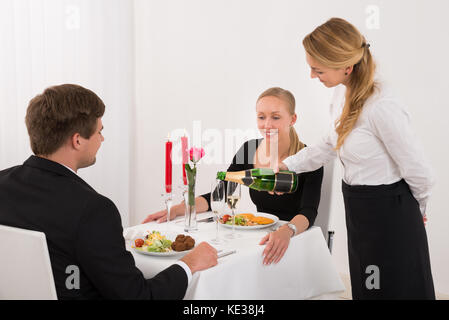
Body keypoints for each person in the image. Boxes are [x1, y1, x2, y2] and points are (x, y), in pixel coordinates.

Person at [0, 84, 218, 300]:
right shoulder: (93, 209)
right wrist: (188, 265)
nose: (102, 139)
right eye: (99, 131)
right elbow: (138, 297)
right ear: (77, 140)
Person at [276, 18, 435, 299]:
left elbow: (420, 172)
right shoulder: (341, 93)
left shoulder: (382, 105)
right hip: (360, 208)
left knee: (394, 290)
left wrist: (416, 212)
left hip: (391, 215)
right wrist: (287, 166)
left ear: (346, 67)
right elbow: (330, 143)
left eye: (317, 69)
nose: (312, 75)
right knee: (367, 286)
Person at [143, 87, 323, 265]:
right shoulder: (249, 149)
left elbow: (309, 211)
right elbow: (219, 194)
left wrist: (286, 231)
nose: (267, 124)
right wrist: (178, 209)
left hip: (294, 238)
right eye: (261, 117)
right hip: (259, 237)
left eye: (275, 117)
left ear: (293, 119)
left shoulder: (309, 159)